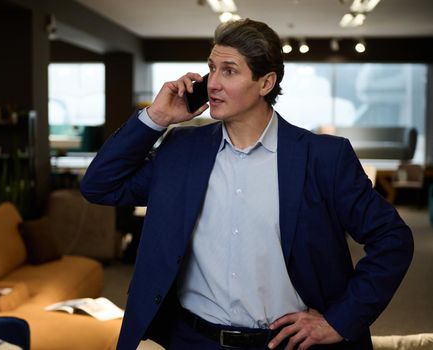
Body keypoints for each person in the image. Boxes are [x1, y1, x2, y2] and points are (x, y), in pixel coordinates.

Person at [81, 18, 413, 350]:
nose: (212, 83)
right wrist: (157, 117)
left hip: (288, 343)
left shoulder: (324, 158)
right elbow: (100, 185)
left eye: (229, 71)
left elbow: (392, 239)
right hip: (192, 339)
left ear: (266, 82)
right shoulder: (181, 150)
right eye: (212, 68)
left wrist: (339, 320)